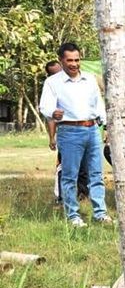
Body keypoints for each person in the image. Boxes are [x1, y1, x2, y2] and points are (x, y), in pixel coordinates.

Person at [39, 42, 112, 227]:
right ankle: (73, 215)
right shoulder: (52, 82)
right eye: (69, 60)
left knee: (96, 174)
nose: (74, 64)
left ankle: (100, 213)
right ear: (61, 61)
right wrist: (52, 113)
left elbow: (98, 105)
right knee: (70, 175)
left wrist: (106, 126)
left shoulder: (89, 79)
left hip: (92, 129)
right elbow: (45, 106)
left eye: (77, 60)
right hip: (69, 131)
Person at [44, 60, 90, 204]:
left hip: (83, 130)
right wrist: (52, 138)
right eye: (55, 72)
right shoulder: (52, 88)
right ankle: (62, 197)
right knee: (65, 167)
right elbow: (51, 118)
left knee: (84, 165)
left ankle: (83, 194)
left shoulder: (77, 84)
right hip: (65, 134)